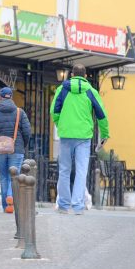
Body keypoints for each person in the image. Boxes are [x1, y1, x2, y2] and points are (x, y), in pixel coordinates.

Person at [51, 63, 109, 215]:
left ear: (71, 75)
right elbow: (101, 115)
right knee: (81, 171)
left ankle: (63, 205)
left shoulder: (62, 89)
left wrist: (60, 124)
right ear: (85, 76)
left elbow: (54, 111)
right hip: (84, 136)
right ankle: (77, 206)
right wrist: (105, 134)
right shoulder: (91, 91)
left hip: (65, 135)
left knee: (64, 170)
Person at [0, 86, 30, 214]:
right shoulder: (19, 112)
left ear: (0, 97)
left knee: (4, 176)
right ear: (11, 97)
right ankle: (12, 198)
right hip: (16, 149)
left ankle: (6, 205)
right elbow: (27, 131)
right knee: (14, 175)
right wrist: (22, 145)